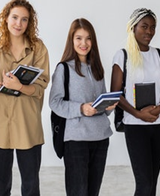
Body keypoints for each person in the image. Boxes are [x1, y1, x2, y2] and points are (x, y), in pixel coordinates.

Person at [0, 0, 50, 196]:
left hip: (27, 125)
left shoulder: (38, 48)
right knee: (0, 188)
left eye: (24, 19)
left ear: (29, 23)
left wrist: (19, 87)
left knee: (31, 187)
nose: (19, 23)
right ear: (6, 18)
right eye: (15, 17)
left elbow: (41, 87)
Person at [49, 18, 117, 196]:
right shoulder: (63, 69)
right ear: (71, 40)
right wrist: (81, 108)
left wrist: (109, 106)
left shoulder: (97, 69)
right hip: (76, 140)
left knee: (93, 192)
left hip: (101, 138)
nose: (84, 43)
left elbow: (100, 106)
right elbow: (54, 103)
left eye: (88, 38)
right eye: (78, 38)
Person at [110, 8, 160, 196]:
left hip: (159, 124)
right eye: (144, 26)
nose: (149, 32)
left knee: (152, 183)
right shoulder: (123, 56)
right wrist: (138, 114)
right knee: (144, 184)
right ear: (133, 27)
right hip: (135, 126)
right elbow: (115, 94)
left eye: (153, 27)